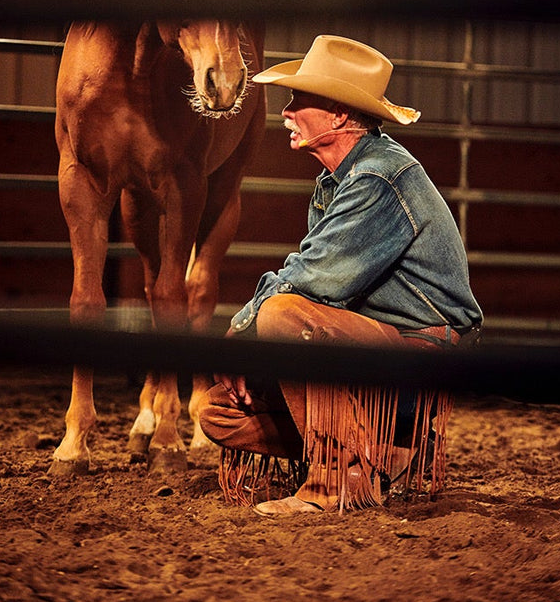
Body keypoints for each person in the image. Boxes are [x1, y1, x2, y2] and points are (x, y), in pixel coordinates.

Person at [200, 35, 483, 516]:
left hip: (422, 352)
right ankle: (393, 448)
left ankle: (339, 481)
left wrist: (240, 331)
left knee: (282, 317)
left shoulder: (377, 176)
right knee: (218, 411)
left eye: (298, 101)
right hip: (378, 346)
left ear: (337, 115)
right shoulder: (341, 179)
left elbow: (314, 279)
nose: (286, 112)